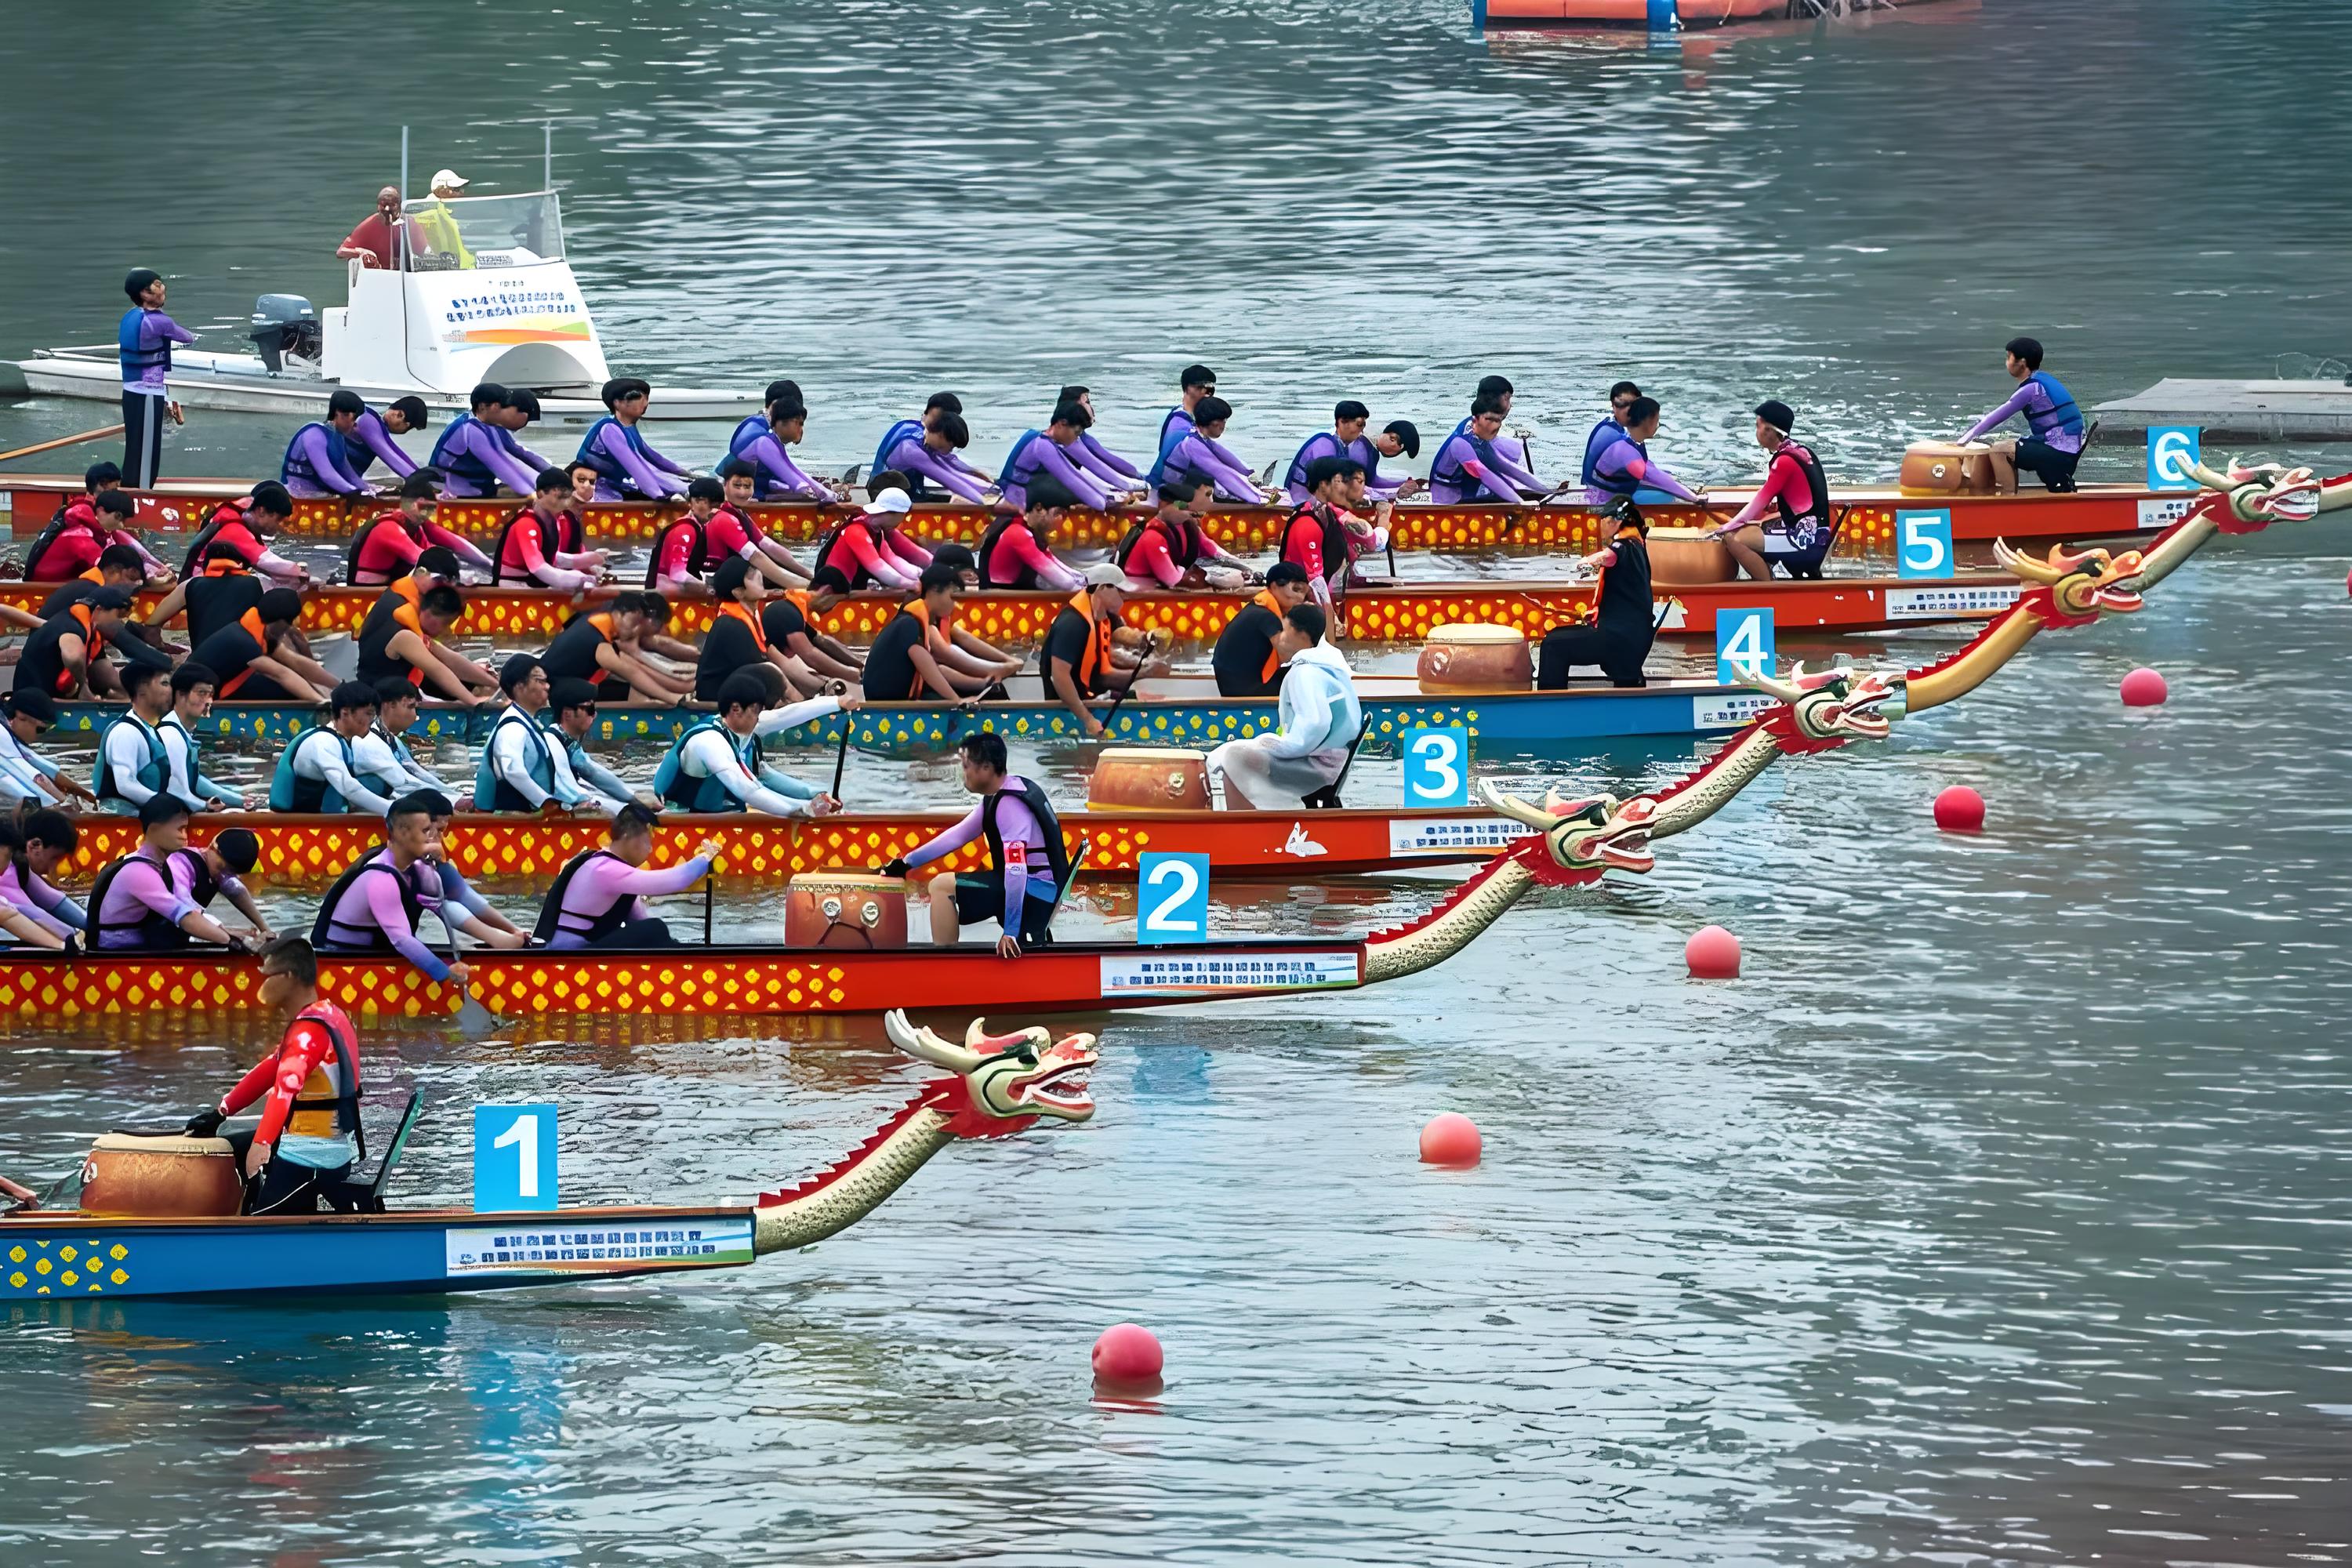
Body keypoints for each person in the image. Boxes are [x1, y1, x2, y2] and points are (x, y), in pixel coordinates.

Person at [198, 937, 366, 1214]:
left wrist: (261, 1146)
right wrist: (222, 1111)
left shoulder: (307, 1034)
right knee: (233, 1141)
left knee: (259, 1225)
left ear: (289, 977)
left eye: (267, 975)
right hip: (334, 1148)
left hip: (311, 1158)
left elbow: (284, 1089)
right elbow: (272, 1067)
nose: (261, 985)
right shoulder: (329, 1014)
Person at [883, 728, 1069, 958]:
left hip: (1035, 892)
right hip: (1034, 886)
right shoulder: (1003, 793)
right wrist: (906, 863)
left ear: (986, 769)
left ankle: (946, 963)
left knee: (941, 886)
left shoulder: (1010, 805)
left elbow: (1016, 869)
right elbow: (957, 836)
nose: (963, 773)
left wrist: (1011, 930)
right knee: (944, 883)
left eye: (966, 766)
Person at [311, 791, 517, 981]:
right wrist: (445, 973)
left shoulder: (419, 868)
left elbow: (449, 904)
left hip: (380, 951)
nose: (438, 840)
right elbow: (401, 939)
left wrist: (506, 935)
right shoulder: (380, 877)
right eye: (428, 831)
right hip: (345, 961)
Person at [1207, 603, 1361, 809]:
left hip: (1316, 767)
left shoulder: (1306, 673)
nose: (1280, 639)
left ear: (1302, 636)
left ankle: (1249, 820)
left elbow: (1316, 723)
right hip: (1332, 761)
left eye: (1285, 632)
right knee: (1241, 749)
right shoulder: (1332, 666)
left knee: (1232, 756)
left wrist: (1279, 747)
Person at [652, 673, 849, 816]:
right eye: (755, 711)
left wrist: (837, 703)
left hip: (719, 814)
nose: (758, 718)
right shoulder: (709, 743)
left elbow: (785, 715)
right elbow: (747, 790)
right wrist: (799, 810)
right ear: (736, 709)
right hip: (682, 820)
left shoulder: (741, 729)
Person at [535, 803, 721, 949]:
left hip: (587, 947)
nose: (650, 848)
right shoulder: (605, 869)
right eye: (647, 839)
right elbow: (678, 880)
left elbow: (640, 920)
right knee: (655, 928)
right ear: (626, 835)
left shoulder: (616, 872)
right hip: (570, 955)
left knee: (654, 931)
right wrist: (706, 857)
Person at [87, 795, 259, 953]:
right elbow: (185, 916)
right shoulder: (139, 872)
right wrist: (232, 941)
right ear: (154, 829)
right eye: (180, 829)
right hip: (115, 954)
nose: (185, 837)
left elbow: (232, 889)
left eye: (186, 829)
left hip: (140, 947)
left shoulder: (157, 865)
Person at [475, 672, 637, 815]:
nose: (595, 714)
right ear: (567, 714)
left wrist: (633, 799)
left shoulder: (566, 741)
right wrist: (602, 805)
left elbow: (594, 772)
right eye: (589, 708)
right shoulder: (552, 741)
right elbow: (564, 789)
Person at [1709, 400, 1835, 580]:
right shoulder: (1799, 450)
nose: (1756, 432)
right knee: (1754, 528)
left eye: (1758, 426)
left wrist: (1726, 527)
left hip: (1803, 542)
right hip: (1817, 535)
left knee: (1733, 539)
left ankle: (1768, 588)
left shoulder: (1783, 462)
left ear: (1769, 431)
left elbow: (1758, 502)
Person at [1538, 499, 1655, 689]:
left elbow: (1608, 556)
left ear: (1615, 522)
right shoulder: (1639, 548)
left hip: (1618, 638)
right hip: (1636, 635)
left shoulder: (1621, 547)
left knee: (1553, 644)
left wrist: (1583, 562)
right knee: (1560, 637)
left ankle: (1550, 707)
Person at [1042, 564, 1167, 736]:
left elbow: (1103, 673)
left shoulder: (1106, 618)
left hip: (1094, 700)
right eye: (1121, 591)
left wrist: (1137, 686)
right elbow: (1060, 677)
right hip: (1067, 713)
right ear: (1102, 588)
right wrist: (1087, 719)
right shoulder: (1072, 625)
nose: (1126, 596)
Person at [1959, 336, 2085, 493]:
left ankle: (2009, 498)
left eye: (2009, 357)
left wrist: (1963, 440)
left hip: (2059, 452)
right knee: (2001, 445)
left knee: (1999, 450)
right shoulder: (2042, 379)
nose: (2007, 362)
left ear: (2022, 362)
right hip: (2061, 446)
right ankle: (1990, 491)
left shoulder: (2030, 390)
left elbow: (1996, 417)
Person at [537, 592, 693, 705]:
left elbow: (636, 667)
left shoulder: (601, 624)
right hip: (553, 696)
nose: (634, 630)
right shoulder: (598, 639)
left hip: (566, 686)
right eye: (632, 623)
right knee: (638, 689)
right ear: (618, 614)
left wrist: (679, 688)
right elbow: (632, 672)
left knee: (639, 687)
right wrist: (673, 699)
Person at [187, 586, 335, 702]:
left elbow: (295, 662)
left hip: (223, 683)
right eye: (290, 623)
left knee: (297, 683)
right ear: (281, 622)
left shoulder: (260, 629)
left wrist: (339, 685)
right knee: (288, 690)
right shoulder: (244, 641)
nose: (290, 629)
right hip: (197, 693)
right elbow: (282, 674)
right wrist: (324, 703)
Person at [345, 470, 492, 584]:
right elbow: (424, 560)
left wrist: (491, 566)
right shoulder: (389, 529)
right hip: (371, 593)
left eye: (431, 508)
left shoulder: (419, 525)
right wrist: (462, 577)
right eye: (422, 506)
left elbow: (457, 545)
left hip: (393, 585)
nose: (425, 514)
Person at [268, 684, 397, 815]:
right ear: (345, 713)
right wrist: (397, 810)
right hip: (304, 824)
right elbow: (349, 789)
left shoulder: (346, 740)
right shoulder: (322, 742)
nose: (372, 720)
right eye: (368, 714)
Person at [118, 268, 193, 488]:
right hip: (148, 393)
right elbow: (188, 338)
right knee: (148, 450)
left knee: (135, 446)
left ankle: (128, 488)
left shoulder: (129, 316)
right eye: (158, 285)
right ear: (144, 294)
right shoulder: (160, 322)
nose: (163, 289)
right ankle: (141, 495)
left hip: (130, 391)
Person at [1116, 475, 1250, 590]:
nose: (1188, 512)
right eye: (1182, 507)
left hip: (1173, 577)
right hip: (1141, 590)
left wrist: (1246, 569)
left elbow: (1215, 552)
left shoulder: (1188, 527)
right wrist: (1221, 581)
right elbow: (1173, 580)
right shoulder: (1152, 537)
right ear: (1163, 505)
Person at [695, 558, 803, 702]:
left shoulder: (750, 613)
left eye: (756, 570)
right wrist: (797, 701)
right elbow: (766, 672)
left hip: (740, 690)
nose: (759, 575)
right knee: (774, 672)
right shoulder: (731, 625)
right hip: (718, 704)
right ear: (739, 592)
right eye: (751, 576)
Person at [159, 662, 260, 812]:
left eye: (210, 695)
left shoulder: (182, 731)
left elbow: (193, 780)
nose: (208, 701)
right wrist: (205, 806)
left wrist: (239, 799)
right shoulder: (171, 735)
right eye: (201, 693)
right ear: (180, 694)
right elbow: (176, 791)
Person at [356, 579, 478, 702]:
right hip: (387, 701)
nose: (447, 631)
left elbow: (446, 658)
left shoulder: (404, 609)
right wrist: (473, 701)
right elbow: (437, 670)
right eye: (446, 624)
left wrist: (487, 682)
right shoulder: (404, 633)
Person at [493, 466, 611, 590]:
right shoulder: (526, 523)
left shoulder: (555, 521)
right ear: (540, 494)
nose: (565, 503)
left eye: (567, 497)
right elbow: (539, 568)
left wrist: (589, 559)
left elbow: (553, 557)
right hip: (514, 587)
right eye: (559, 497)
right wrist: (580, 579)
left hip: (535, 584)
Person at [996, 401, 1123, 514]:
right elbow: (1071, 480)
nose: (1075, 440)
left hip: (1020, 490)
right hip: (1015, 497)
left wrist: (1108, 494)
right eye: (1076, 433)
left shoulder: (1042, 438)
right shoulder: (1042, 446)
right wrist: (1104, 503)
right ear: (1062, 424)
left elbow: (1075, 474)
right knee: (1064, 486)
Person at [575, 377, 692, 501]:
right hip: (603, 489)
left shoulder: (628, 427)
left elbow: (651, 456)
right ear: (617, 403)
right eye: (638, 398)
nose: (645, 403)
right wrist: (660, 496)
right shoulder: (609, 429)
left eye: (646, 398)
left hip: (621, 482)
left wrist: (683, 473)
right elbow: (636, 467)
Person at [1285, 401, 1422, 503]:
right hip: (1301, 501)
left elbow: (1369, 481)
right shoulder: (1325, 443)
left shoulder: (1350, 446)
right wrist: (1393, 492)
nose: (1362, 431)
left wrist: (1403, 483)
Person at [1210, 561, 1312, 698]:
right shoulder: (1265, 616)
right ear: (1275, 586)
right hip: (1246, 692)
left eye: (1303, 592)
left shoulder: (1258, 606)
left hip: (1235, 685)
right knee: (1308, 670)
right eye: (1296, 590)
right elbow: (1288, 654)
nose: (1300, 597)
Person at [177, 483, 309, 585]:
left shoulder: (246, 509)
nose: (280, 526)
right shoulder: (235, 530)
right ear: (261, 511)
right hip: (198, 586)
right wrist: (307, 576)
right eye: (278, 519)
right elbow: (269, 562)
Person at [873, 394, 995, 503]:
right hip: (883, 497)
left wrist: (976, 475)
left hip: (905, 490)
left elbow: (948, 461)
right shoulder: (912, 450)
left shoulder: (919, 430)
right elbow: (947, 478)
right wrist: (986, 500)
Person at [17, 586, 133, 700]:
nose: (119, 623)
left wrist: (125, 694)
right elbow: (74, 657)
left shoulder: (92, 631)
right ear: (99, 610)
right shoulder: (72, 624)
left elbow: (102, 667)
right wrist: (83, 686)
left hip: (56, 694)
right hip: (35, 697)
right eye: (118, 616)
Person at [430, 384, 544, 499]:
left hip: (475, 485)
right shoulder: (470, 429)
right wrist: (532, 492)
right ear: (483, 407)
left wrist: (549, 475)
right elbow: (500, 464)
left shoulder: (491, 428)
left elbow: (520, 453)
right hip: (450, 488)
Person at [710, 459, 812, 587]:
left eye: (747, 487)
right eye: (737, 486)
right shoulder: (724, 518)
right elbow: (756, 557)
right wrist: (804, 586)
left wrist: (809, 575)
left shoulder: (738, 512)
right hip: (717, 582)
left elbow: (769, 546)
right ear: (725, 484)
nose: (742, 493)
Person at [1583, 397, 1701, 506]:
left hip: (1603, 490)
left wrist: (1673, 482)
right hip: (1605, 501)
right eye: (1656, 421)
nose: (1658, 425)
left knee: (1669, 481)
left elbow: (1649, 469)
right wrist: (1693, 498)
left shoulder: (1627, 436)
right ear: (1647, 423)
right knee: (1668, 496)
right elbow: (1650, 474)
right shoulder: (1626, 451)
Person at [811, 486, 934, 591]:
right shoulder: (856, 531)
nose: (903, 519)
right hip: (832, 593)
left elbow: (893, 560)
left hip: (850, 589)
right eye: (904, 515)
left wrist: (925, 576)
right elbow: (879, 568)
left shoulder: (877, 531)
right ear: (892, 513)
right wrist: (912, 584)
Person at [976, 477, 1087, 592]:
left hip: (1018, 594)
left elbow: (1051, 559)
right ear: (1038, 508)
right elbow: (1065, 582)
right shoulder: (1017, 533)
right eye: (1057, 514)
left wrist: (1082, 579)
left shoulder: (1032, 530)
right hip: (1002, 601)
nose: (1060, 521)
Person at [357, 679, 459, 800]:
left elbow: (417, 772)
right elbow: (403, 782)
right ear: (389, 705)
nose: (415, 715)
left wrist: (453, 794)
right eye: (411, 707)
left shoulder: (392, 739)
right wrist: (449, 798)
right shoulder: (370, 742)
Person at [761, 567, 863, 685]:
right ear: (827, 591)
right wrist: (854, 676)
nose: (832, 609)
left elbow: (822, 641)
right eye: (836, 602)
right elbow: (810, 655)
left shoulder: (795, 604)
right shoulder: (786, 611)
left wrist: (860, 664)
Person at [1159, 396, 1270, 504]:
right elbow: (1220, 471)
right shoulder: (1192, 444)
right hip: (1175, 492)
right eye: (1223, 422)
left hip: (1185, 486)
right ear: (1213, 422)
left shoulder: (1200, 437)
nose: (1223, 427)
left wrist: (1248, 473)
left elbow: (1226, 456)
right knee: (1220, 487)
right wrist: (1258, 499)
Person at [728, 399, 840, 505]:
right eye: (798, 424)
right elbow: (794, 480)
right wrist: (823, 494)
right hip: (746, 491)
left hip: (751, 484)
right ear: (781, 423)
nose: (801, 430)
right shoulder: (764, 443)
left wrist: (822, 491)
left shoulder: (768, 434)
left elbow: (791, 467)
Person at [1431, 400, 1541, 505]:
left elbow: (1507, 468)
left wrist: (1544, 490)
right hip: (1445, 502)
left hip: (1463, 496)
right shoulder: (1459, 443)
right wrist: (1520, 503)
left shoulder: (1483, 442)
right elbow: (1484, 474)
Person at [0, 691, 97, 809]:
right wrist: (61, 806)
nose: (39, 737)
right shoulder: (2, 734)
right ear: (21, 716)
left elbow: (44, 767)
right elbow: (36, 779)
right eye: (41, 730)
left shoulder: (9, 732)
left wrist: (83, 793)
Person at [0, 811, 89, 941]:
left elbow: (54, 900)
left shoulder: (19, 866)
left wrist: (96, 928)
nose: (55, 867)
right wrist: (75, 936)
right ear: (35, 845)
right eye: (55, 858)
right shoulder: (7, 871)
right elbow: (33, 913)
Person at [279, 391, 376, 499]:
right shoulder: (314, 435)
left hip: (319, 493)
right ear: (339, 414)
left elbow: (348, 473)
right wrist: (355, 492)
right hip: (296, 495)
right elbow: (327, 475)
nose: (356, 424)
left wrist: (368, 488)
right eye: (354, 418)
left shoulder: (338, 437)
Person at [1055, 386, 1147, 495]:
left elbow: (1105, 462)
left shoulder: (1081, 437)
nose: (1092, 409)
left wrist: (1139, 479)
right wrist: (1142, 484)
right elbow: (1100, 469)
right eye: (1088, 402)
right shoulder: (1067, 441)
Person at [1146, 364, 1218, 486]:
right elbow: (1169, 462)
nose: (1209, 394)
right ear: (1189, 389)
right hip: (1163, 488)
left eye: (1212, 389)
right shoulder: (1179, 423)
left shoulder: (1190, 416)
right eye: (1204, 388)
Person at [342, 394, 430, 483]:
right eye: (407, 427)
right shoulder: (367, 420)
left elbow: (393, 449)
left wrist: (421, 474)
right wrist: (420, 481)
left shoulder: (374, 418)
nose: (404, 432)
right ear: (400, 415)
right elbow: (389, 455)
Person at [1579, 381, 1645, 498]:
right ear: (1613, 406)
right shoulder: (1614, 435)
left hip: (1599, 491)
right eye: (1622, 404)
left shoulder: (1617, 426)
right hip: (1603, 498)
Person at [336, 185, 420, 270]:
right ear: (378, 207)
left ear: (399, 206)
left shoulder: (410, 224)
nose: (387, 209)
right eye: (383, 205)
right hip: (379, 276)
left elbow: (423, 252)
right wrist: (361, 252)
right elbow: (341, 252)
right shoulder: (369, 225)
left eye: (392, 205)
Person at [412, 170, 475, 267]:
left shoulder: (448, 211)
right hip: (451, 270)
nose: (462, 192)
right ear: (441, 190)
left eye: (461, 189)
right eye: (456, 189)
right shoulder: (428, 215)